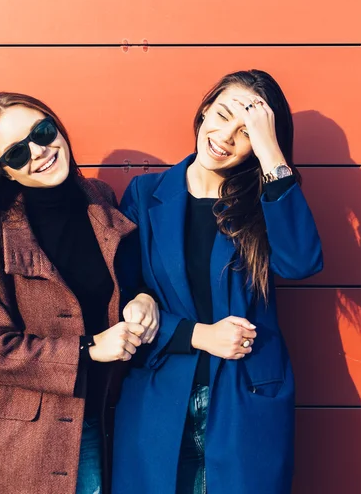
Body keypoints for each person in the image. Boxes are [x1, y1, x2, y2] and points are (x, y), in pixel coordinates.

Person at [0, 92, 158, 494]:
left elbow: (120, 281)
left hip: (96, 416)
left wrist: (142, 299)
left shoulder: (100, 199)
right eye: (17, 154)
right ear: (4, 172)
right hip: (19, 439)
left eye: (43, 131)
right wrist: (88, 349)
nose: (39, 151)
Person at [112, 70, 323, 494]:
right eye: (222, 115)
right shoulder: (145, 193)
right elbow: (122, 296)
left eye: (245, 133)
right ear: (205, 109)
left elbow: (300, 262)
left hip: (244, 402)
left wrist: (271, 156)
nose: (225, 136)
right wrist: (198, 335)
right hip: (159, 400)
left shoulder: (264, 202)